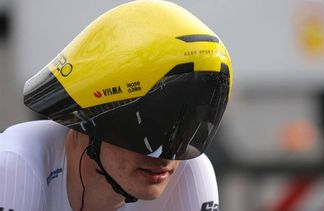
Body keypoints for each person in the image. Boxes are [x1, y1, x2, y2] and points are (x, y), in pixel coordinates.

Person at [0, 0, 232, 210]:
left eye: (185, 128)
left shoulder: (190, 170)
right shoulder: (15, 164)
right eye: (150, 127)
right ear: (90, 123)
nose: (169, 155)